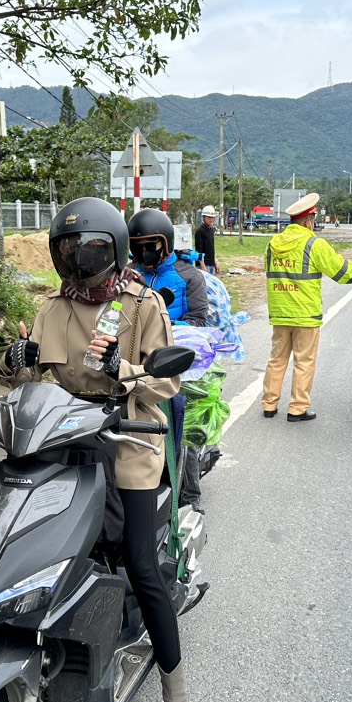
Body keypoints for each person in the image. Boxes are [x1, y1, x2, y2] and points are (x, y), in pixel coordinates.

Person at [0, 196, 193, 702]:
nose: (78, 261)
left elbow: (169, 382)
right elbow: (31, 378)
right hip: (63, 436)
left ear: (113, 248)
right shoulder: (50, 308)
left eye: (89, 250)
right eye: (67, 250)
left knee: (138, 561)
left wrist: (124, 372)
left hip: (126, 437)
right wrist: (16, 361)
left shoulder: (139, 305)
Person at [262, 192, 352, 422]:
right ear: (308, 220)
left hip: (280, 313)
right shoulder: (314, 243)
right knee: (304, 362)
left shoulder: (273, 244)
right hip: (305, 315)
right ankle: (297, 409)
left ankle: (269, 405)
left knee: (277, 359)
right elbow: (342, 273)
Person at [128, 207, 208, 512]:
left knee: (177, 410)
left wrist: (166, 330)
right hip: (130, 361)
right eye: (138, 247)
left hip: (172, 360)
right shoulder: (127, 276)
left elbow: (199, 319)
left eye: (151, 245)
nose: (144, 252)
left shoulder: (189, 275)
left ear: (167, 243)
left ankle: (187, 494)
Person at [194, 205, 218, 274]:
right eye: (208, 217)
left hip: (211, 264)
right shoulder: (200, 231)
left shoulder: (211, 230)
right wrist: (203, 266)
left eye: (212, 217)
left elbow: (212, 248)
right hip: (203, 265)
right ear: (203, 217)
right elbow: (198, 250)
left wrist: (215, 261)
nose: (210, 219)